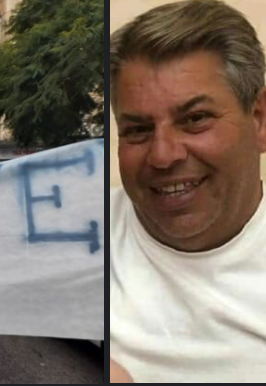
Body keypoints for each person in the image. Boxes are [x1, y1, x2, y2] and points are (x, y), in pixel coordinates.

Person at [110, 0, 266, 382]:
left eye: (195, 119)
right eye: (137, 130)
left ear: (259, 120)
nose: (163, 156)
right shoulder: (77, 237)